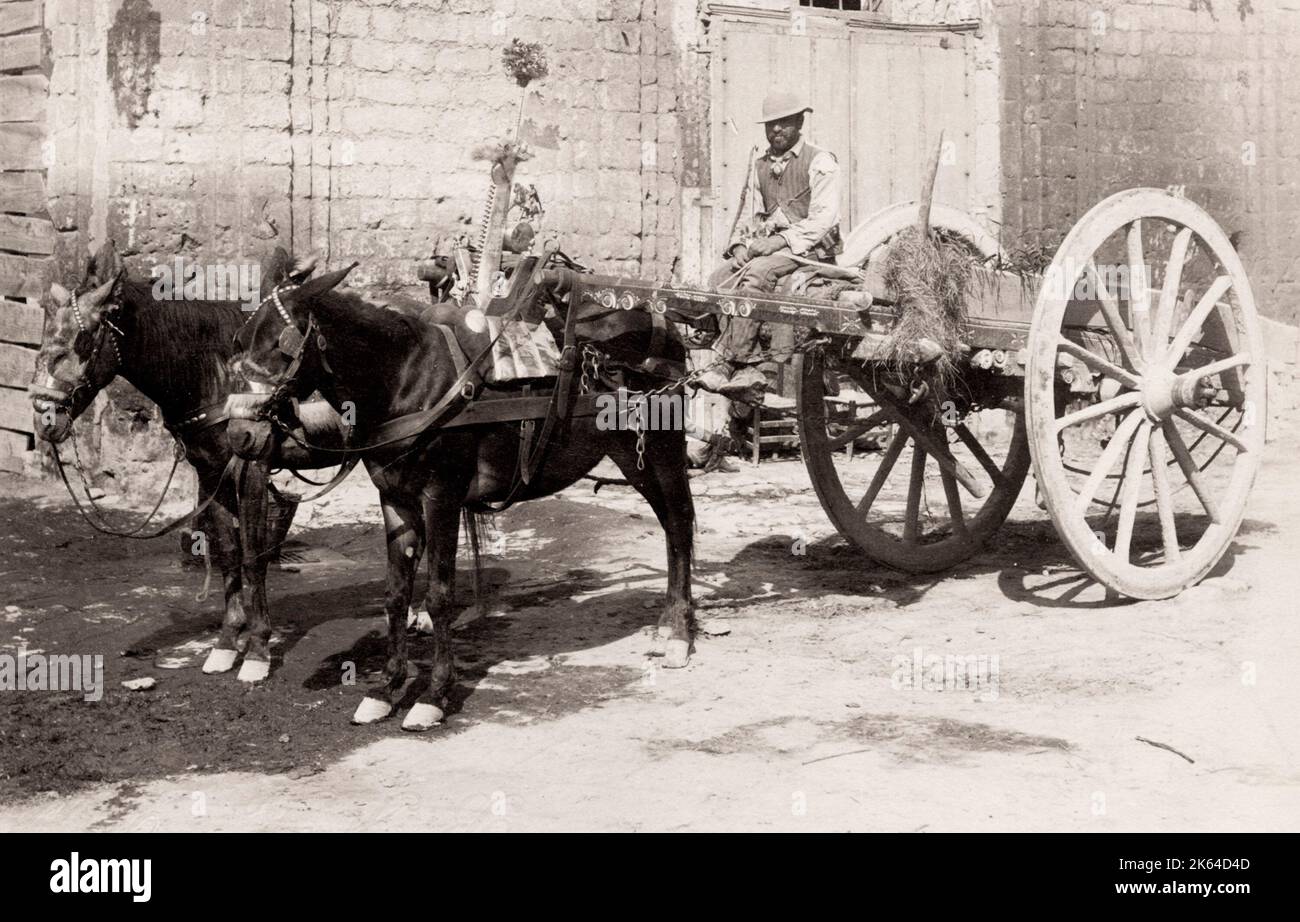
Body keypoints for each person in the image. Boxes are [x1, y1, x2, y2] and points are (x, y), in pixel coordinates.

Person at [696, 90, 843, 405]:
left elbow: (823, 220)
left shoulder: (820, 161)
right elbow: (748, 212)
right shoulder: (760, 165)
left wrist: (779, 241)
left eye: (784, 123)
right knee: (719, 279)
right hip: (775, 250)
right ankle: (726, 353)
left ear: (799, 122)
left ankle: (743, 365)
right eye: (771, 124)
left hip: (810, 251)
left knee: (757, 275)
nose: (776, 130)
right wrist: (738, 244)